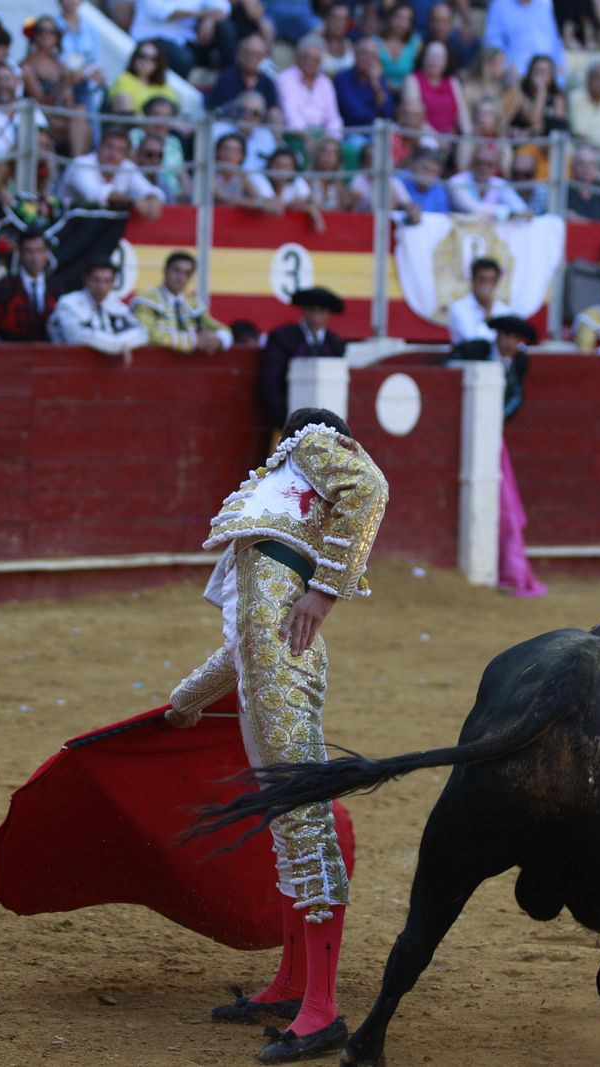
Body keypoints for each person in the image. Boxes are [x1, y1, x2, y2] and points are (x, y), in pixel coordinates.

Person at [168, 405, 388, 1065]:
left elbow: (370, 488)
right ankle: (295, 984)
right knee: (287, 826)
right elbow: (244, 643)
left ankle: (321, 1012)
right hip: (267, 670)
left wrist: (324, 590)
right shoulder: (275, 511)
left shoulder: (312, 443)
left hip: (284, 669)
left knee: (303, 822)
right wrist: (184, 701)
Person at [452, 314, 544, 596]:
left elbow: (516, 399)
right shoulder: (473, 350)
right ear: (497, 336)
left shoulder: (520, 362)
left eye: (516, 339)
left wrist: (493, 421)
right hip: (463, 433)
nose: (509, 343)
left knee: (505, 502)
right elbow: (449, 374)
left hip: (492, 438)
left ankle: (509, 568)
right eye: (506, 336)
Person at [259, 287, 347, 433]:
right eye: (311, 310)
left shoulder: (335, 344)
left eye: (321, 311)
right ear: (303, 310)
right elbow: (271, 383)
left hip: (328, 427)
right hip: (288, 422)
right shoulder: (284, 338)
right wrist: (286, 423)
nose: (315, 317)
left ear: (329, 315)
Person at [132, 250, 231, 353]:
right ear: (165, 271)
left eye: (187, 273)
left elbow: (221, 329)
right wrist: (193, 342)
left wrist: (218, 340)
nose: (181, 277)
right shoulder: (147, 299)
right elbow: (146, 333)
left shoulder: (192, 303)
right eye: (176, 270)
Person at [48, 259, 147, 356]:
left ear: (113, 282)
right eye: (96, 280)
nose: (102, 287)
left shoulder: (116, 305)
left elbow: (142, 333)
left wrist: (119, 343)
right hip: (70, 366)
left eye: (107, 281)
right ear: (86, 279)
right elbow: (75, 336)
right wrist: (118, 345)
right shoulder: (68, 303)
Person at [62, 126, 165, 218]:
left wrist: (153, 199)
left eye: (120, 150)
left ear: (125, 154)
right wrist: (133, 201)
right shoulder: (81, 164)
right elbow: (93, 195)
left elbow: (151, 190)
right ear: (99, 147)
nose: (113, 154)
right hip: (67, 222)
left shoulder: (126, 166)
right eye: (109, 147)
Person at [0, 226, 51, 341]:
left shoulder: (57, 290)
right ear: (19, 253)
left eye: (39, 251)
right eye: (28, 251)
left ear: (46, 252)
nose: (34, 258)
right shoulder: (1, 290)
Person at [128, 0, 232, 78]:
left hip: (184, 41)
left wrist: (211, 19)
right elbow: (164, 13)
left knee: (224, 27)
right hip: (151, 38)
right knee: (184, 59)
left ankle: (227, 77)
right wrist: (203, 14)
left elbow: (224, 6)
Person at [483, 0, 566, 85]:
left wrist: (560, 80)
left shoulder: (543, 6)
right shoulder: (499, 6)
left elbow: (555, 43)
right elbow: (493, 46)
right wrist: (506, 71)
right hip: (516, 81)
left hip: (547, 80)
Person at [280, 35, 344, 137]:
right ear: (298, 57)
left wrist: (333, 138)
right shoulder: (286, 79)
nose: (310, 62)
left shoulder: (326, 82)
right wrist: (306, 136)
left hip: (324, 136)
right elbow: (291, 115)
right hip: (297, 135)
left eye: (315, 59)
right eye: (306, 57)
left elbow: (333, 117)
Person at [447, 142, 531, 218]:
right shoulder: (456, 182)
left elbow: (521, 209)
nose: (483, 168)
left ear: (496, 167)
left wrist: (518, 212)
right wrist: (509, 213)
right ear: (471, 162)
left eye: (489, 164)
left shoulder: (499, 184)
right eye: (479, 163)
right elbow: (472, 208)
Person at [212, 32, 279, 117]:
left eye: (257, 55)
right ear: (239, 53)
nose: (252, 58)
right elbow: (218, 110)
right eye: (248, 53)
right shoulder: (226, 78)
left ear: (263, 57)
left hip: (259, 128)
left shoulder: (267, 82)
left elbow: (273, 108)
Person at [447, 256, 510, 345]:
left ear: (496, 282)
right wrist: (488, 314)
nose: (486, 285)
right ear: (473, 280)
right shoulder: (459, 308)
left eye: (491, 280)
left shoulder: (504, 310)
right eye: (482, 279)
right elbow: (473, 340)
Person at [335, 36, 394, 129]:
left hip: (375, 132)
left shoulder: (378, 78)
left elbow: (388, 112)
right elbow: (355, 114)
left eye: (372, 56)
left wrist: (376, 85)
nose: (368, 59)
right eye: (364, 54)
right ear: (356, 55)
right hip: (352, 132)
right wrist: (377, 113)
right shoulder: (343, 79)